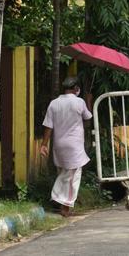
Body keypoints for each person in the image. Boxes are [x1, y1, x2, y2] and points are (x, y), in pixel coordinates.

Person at [40, 77, 92, 217]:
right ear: (76, 89)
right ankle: (64, 206)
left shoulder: (54, 103)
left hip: (58, 145)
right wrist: (88, 100)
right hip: (74, 146)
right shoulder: (79, 102)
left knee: (64, 173)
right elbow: (88, 118)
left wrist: (44, 144)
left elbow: (48, 126)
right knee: (73, 177)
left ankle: (61, 201)